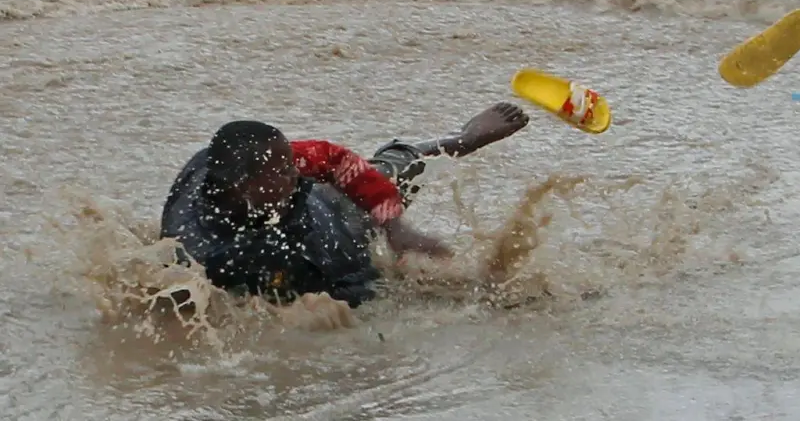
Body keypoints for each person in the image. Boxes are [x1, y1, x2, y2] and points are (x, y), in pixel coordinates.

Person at [161, 104, 530, 307]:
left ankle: (464, 137)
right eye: (283, 171)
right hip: (319, 243)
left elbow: (333, 160)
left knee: (393, 170)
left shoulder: (275, 167)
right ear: (243, 186)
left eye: (293, 163)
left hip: (335, 207)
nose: (296, 172)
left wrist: (394, 226)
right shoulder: (198, 243)